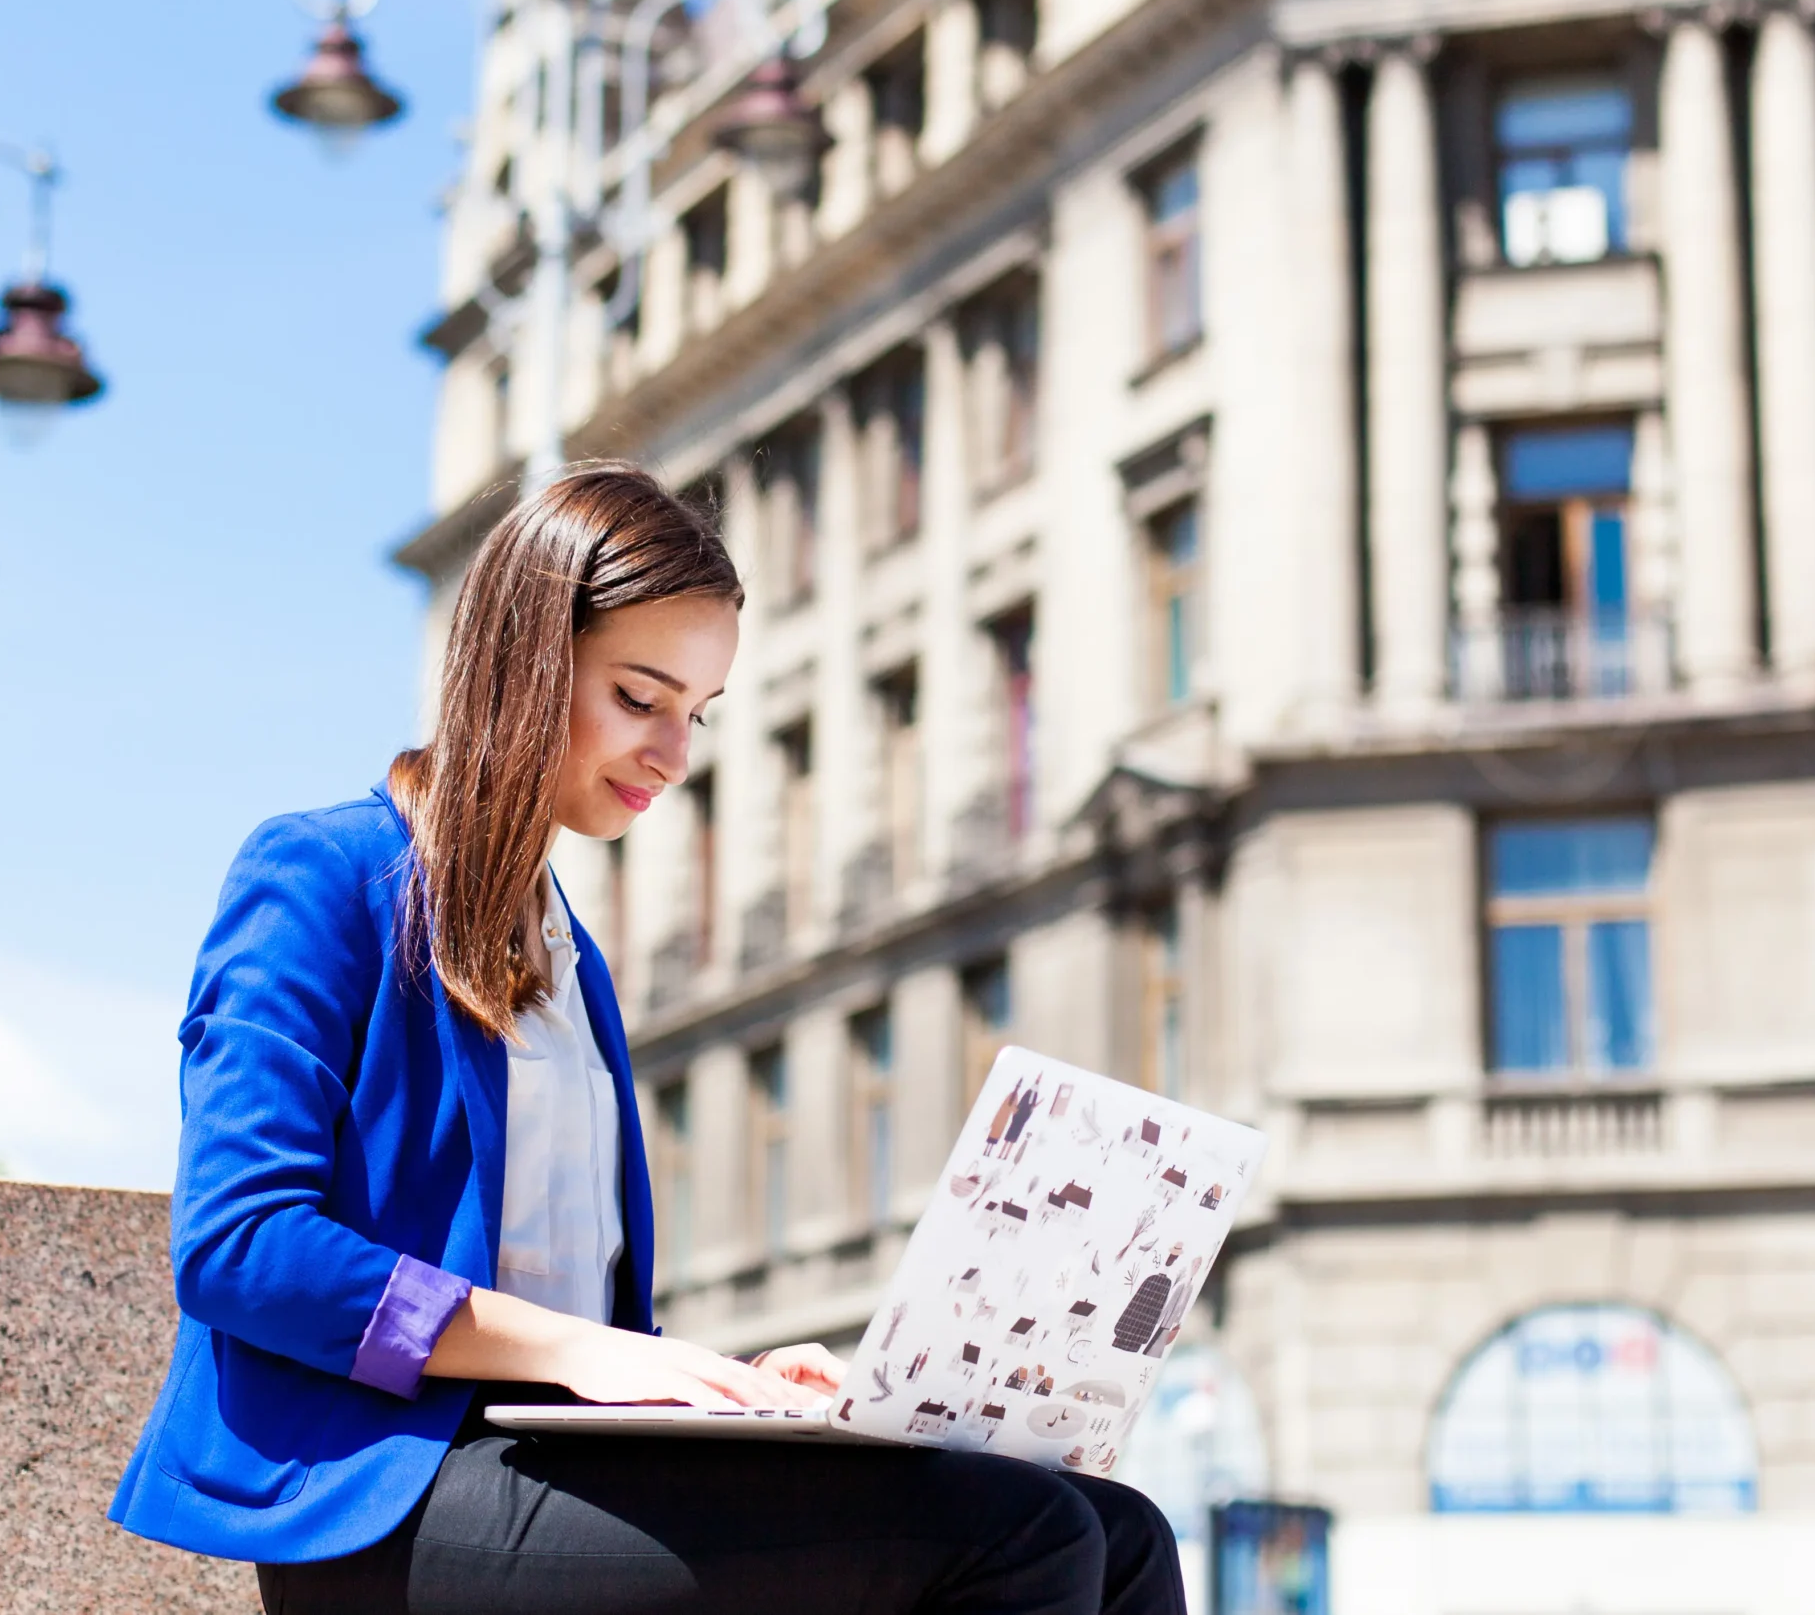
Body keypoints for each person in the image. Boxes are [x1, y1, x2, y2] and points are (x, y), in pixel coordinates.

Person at [111, 464, 1182, 1615]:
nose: (674, 754)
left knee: (1120, 1532)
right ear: (526, 656)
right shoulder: (320, 875)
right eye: (640, 697)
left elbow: (585, 1303)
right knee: (1010, 1532)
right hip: (379, 1492)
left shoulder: (574, 959)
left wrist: (731, 1387)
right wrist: (586, 1352)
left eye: (697, 714)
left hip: (553, 1463)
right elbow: (236, 1246)